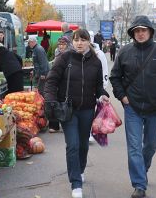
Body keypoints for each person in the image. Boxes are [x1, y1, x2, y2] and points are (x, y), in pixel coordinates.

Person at [109, 15, 156, 198]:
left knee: (150, 146)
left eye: (143, 30)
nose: (140, 34)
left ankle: (142, 169)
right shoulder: (124, 52)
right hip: (133, 108)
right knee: (134, 147)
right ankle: (139, 184)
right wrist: (122, 97)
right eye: (137, 31)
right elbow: (115, 77)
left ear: (150, 32)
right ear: (133, 33)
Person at [44, 29, 109, 198]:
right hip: (68, 110)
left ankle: (79, 170)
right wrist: (50, 99)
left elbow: (98, 86)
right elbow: (51, 81)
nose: (79, 43)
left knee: (83, 145)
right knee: (72, 145)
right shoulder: (64, 58)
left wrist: (103, 95)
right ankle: (76, 184)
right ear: (72, 42)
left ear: (89, 41)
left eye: (83, 39)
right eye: (76, 39)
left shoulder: (95, 61)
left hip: (87, 110)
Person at [48, 36, 72, 133]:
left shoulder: (71, 54)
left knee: (64, 102)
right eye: (60, 44)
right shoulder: (57, 52)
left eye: (63, 44)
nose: (61, 46)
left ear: (67, 45)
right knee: (53, 101)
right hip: (55, 80)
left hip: (66, 81)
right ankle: (54, 125)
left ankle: (65, 121)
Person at [89, 30, 109, 142]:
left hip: (97, 87)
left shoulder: (99, 53)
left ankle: (93, 131)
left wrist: (104, 86)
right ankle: (89, 132)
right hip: (85, 87)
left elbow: (105, 70)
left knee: (96, 109)